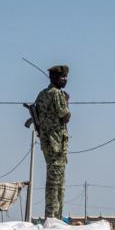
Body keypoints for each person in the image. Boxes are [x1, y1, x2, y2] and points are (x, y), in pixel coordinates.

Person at [32, 64, 71, 220]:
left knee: (56, 181)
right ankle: (53, 218)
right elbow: (65, 117)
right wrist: (67, 101)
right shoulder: (57, 94)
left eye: (66, 77)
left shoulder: (42, 94)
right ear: (54, 78)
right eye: (63, 77)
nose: (65, 80)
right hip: (56, 144)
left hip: (47, 142)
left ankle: (55, 217)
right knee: (56, 183)